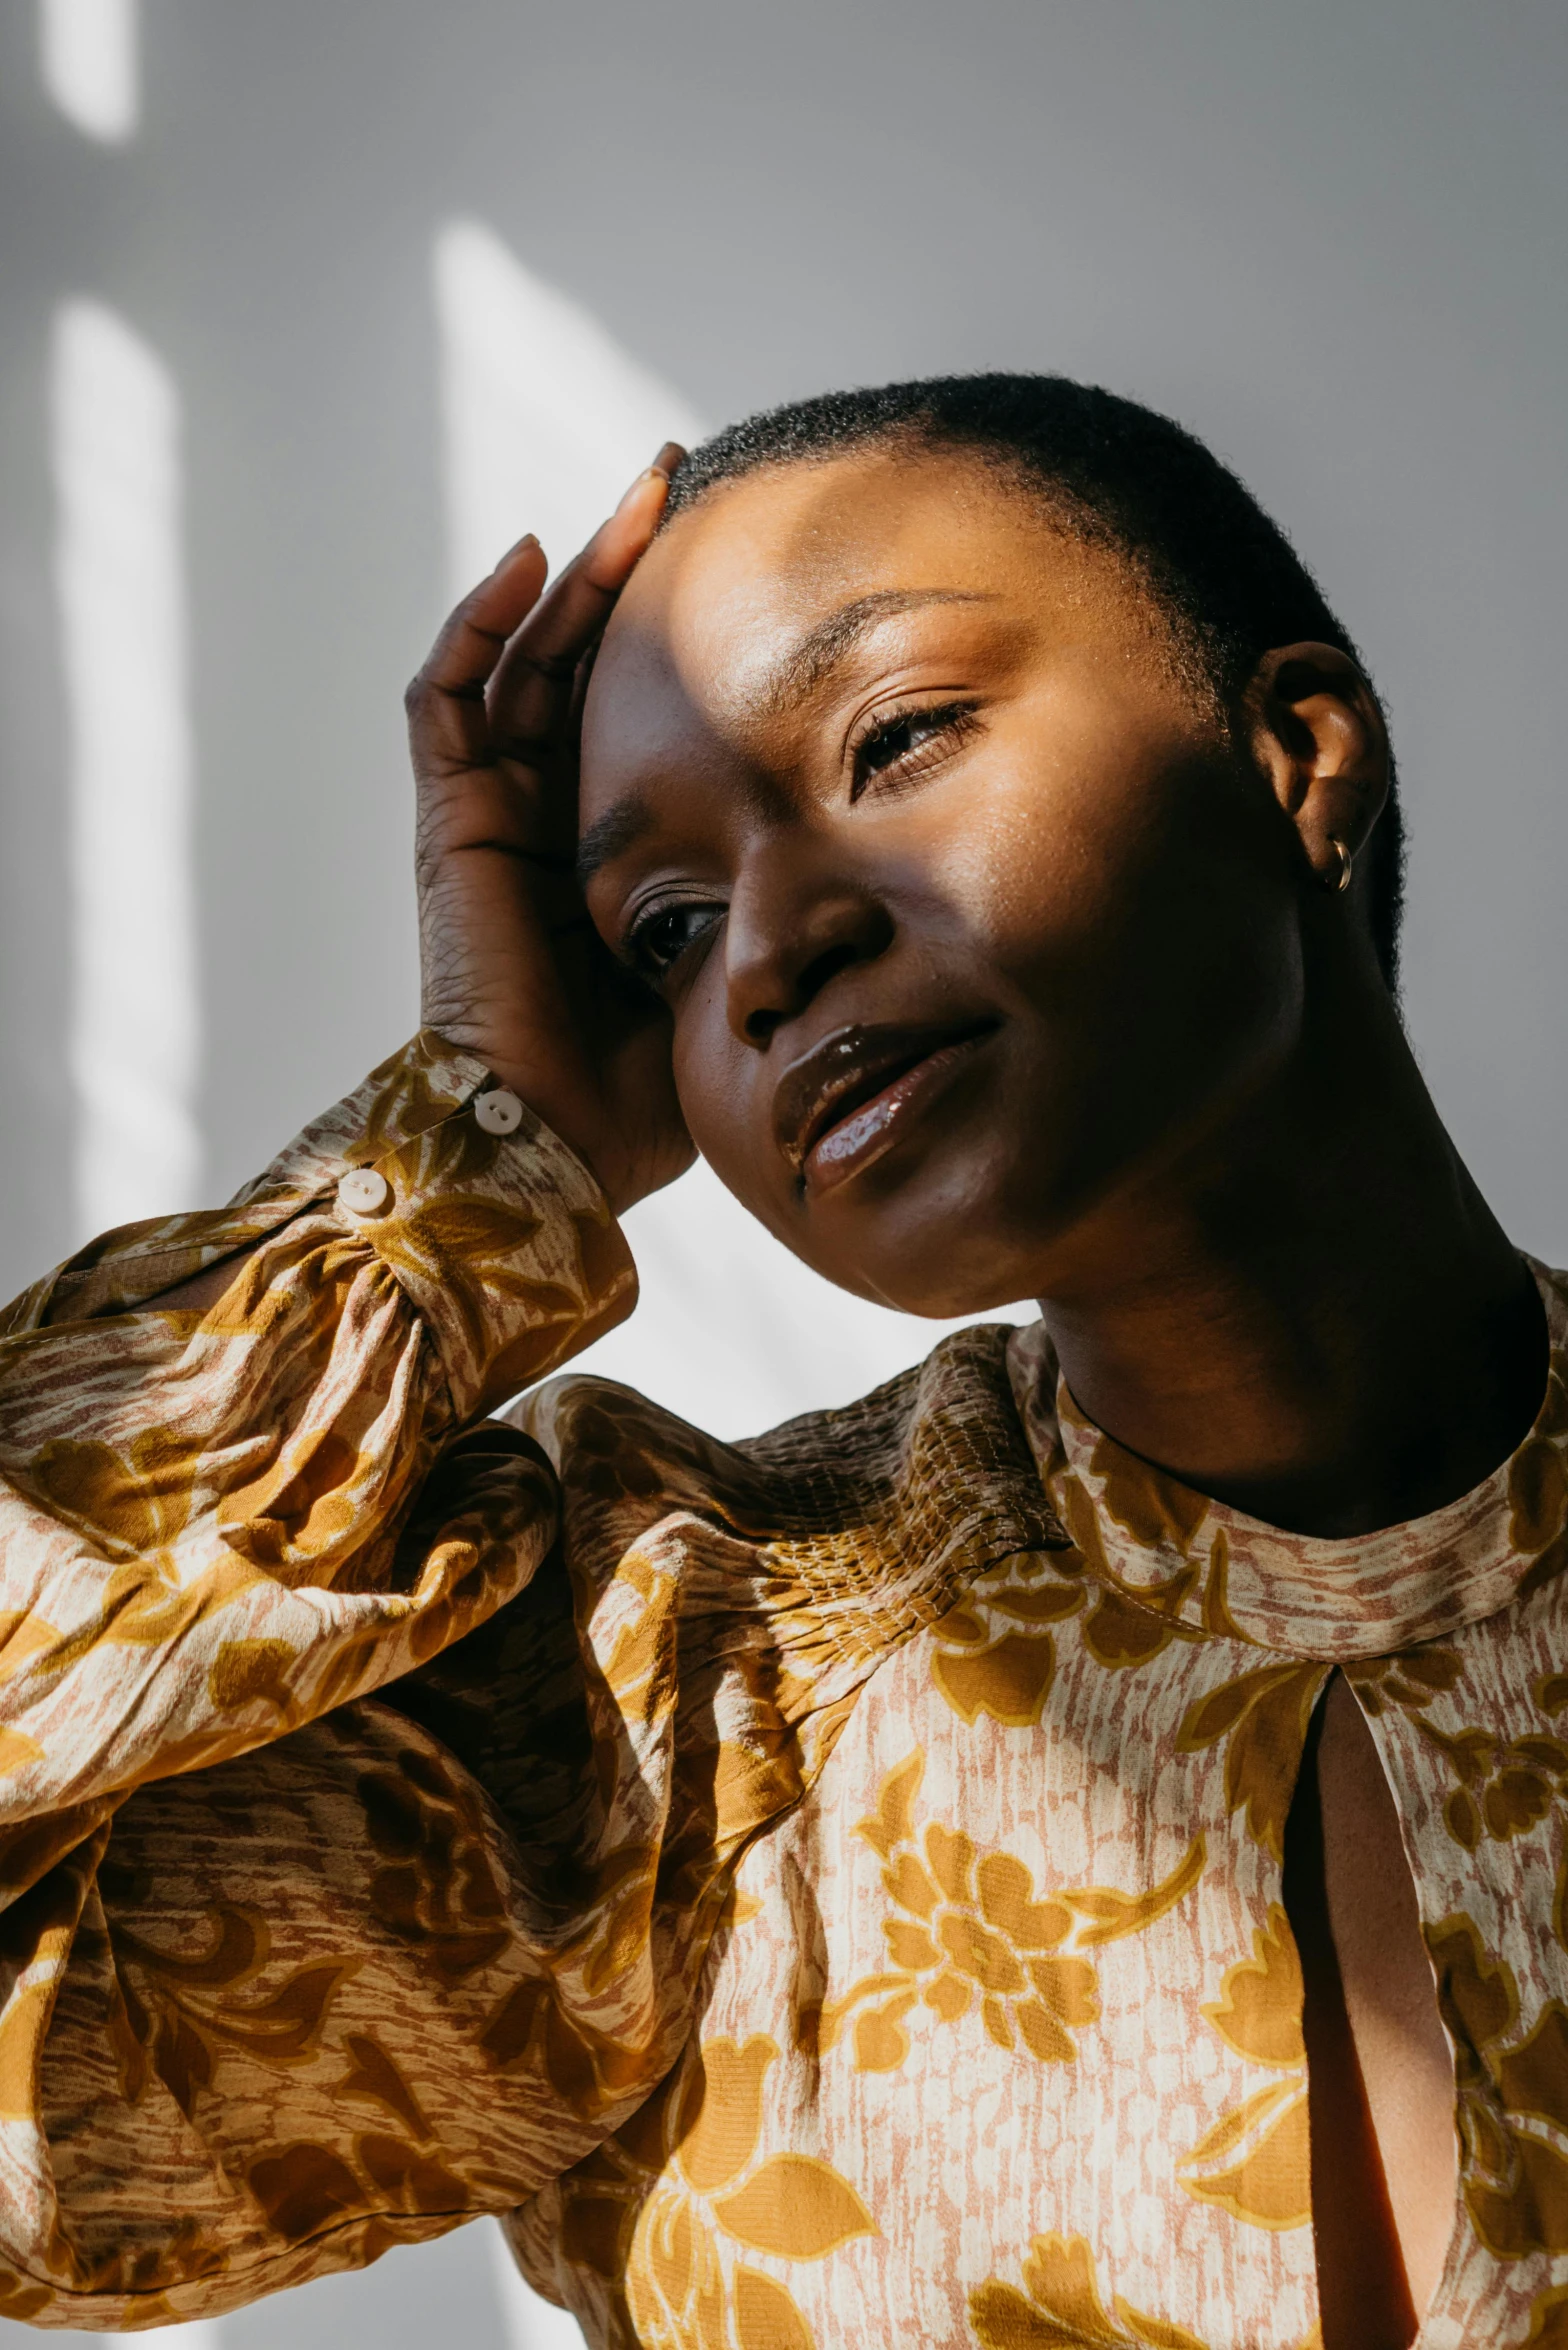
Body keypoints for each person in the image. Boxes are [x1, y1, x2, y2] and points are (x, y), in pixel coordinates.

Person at [0, 374, 1559, 2350]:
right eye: (660, 931)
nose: (765, 948)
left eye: (892, 736)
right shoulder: (669, 1703)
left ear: (1294, 753)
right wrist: (468, 1148)